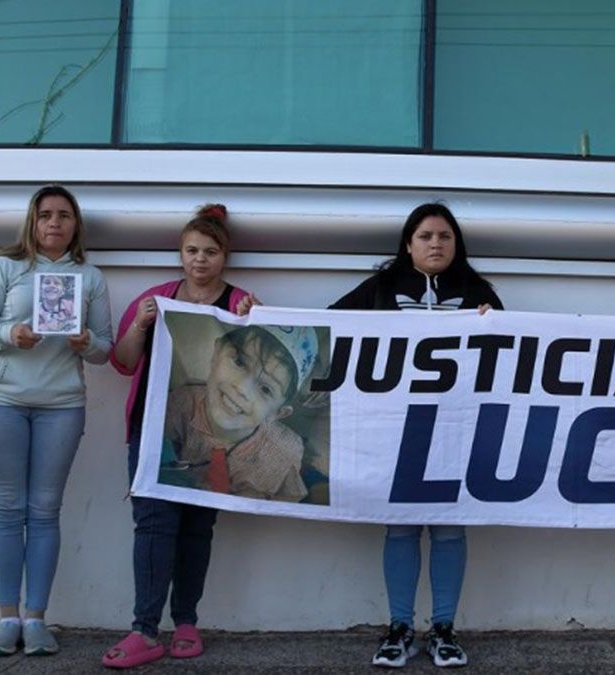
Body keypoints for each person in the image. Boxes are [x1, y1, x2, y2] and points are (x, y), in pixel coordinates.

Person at [331, 203, 502, 669]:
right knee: (401, 525)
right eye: (425, 236)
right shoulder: (381, 288)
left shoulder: (478, 291)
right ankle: (400, 628)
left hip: (458, 432)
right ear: (408, 243)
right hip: (394, 432)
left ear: (456, 244)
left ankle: (443, 628)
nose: (435, 244)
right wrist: (256, 317)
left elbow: (513, 359)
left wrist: (495, 324)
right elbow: (326, 327)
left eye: (444, 236)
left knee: (449, 529)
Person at [0, 184, 113, 656]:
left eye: (64, 215)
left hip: (61, 406)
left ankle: (37, 618)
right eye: (46, 214)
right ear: (32, 221)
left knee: (44, 512)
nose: (54, 223)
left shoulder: (90, 277)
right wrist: (10, 334)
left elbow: (106, 350)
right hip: (2, 401)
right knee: (7, 510)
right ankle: (8, 621)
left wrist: (84, 342)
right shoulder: (4, 268)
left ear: (75, 225)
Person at [102, 204, 253, 668]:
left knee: (196, 530)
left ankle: (185, 621)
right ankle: (144, 629)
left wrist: (255, 321)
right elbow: (123, 362)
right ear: (180, 253)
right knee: (153, 527)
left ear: (224, 256)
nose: (200, 260)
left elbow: (256, 370)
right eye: (191, 250)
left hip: (212, 440)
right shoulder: (155, 299)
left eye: (210, 251)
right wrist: (140, 325)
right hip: (152, 435)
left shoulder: (240, 302)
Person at [162, 323, 318, 502]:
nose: (242, 389)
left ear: (278, 413)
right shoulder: (181, 404)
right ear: (217, 351)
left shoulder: (283, 453)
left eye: (266, 389)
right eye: (239, 362)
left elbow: (288, 500)